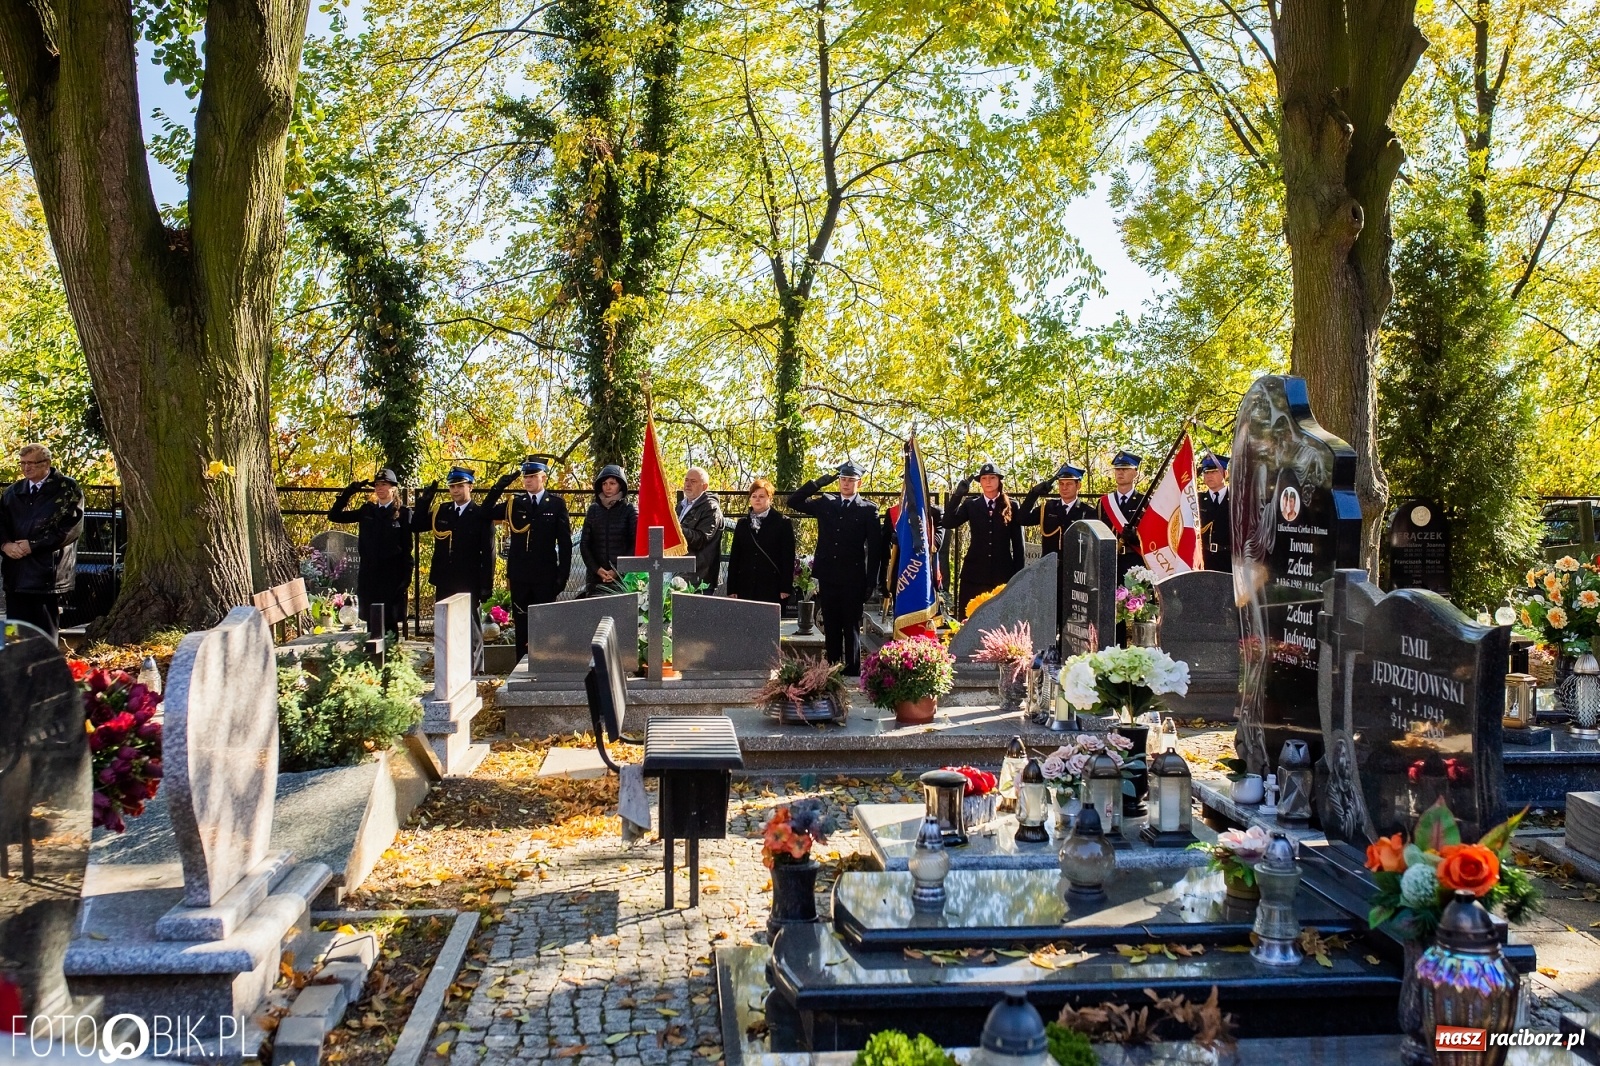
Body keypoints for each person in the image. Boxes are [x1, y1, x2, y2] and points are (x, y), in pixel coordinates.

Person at [788, 461, 881, 674]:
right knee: (831, 625)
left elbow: (875, 549)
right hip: (829, 575)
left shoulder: (868, 509)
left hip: (853, 577)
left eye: (850, 480)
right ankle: (832, 669)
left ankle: (852, 670)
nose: (845, 484)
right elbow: (794, 501)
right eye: (842, 479)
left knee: (851, 625)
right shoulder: (826, 503)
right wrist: (818, 483)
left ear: (859, 483)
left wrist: (871, 582)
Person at [482, 458, 572, 662]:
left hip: (545, 577)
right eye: (525, 477)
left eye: (532, 476)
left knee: (545, 626)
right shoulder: (515, 503)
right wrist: (498, 487)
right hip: (520, 576)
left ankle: (545, 666)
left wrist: (562, 576)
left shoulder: (556, 504)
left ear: (543, 478)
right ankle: (521, 667)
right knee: (522, 625)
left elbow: (565, 544)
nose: (528, 480)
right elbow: (485, 512)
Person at [411, 467, 496, 672]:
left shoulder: (480, 514)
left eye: (460, 486)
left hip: (469, 579)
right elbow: (416, 525)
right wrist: (425, 502)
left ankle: (475, 671)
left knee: (471, 628)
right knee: (446, 627)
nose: (455, 490)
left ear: (470, 487)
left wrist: (486, 585)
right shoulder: (442, 511)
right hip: (445, 578)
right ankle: (450, 669)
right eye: (452, 487)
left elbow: (489, 553)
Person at [0, 443, 83, 646]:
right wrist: (5, 545)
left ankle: (46, 667)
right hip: (16, 576)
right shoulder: (13, 492)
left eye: (32, 463)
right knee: (15, 638)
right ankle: (17, 666)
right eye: (22, 463)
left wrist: (33, 545)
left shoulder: (66, 488)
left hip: (47, 576)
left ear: (46, 463)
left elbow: (70, 528)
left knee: (44, 638)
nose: (26, 468)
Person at [326, 467, 414, 636]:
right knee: (372, 626)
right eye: (377, 485)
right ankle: (372, 653)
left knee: (390, 626)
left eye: (384, 484)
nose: (379, 488)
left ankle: (391, 653)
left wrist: (405, 579)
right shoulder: (367, 511)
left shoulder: (403, 513)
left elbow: (407, 549)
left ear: (393, 488)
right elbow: (334, 516)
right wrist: (348, 493)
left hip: (392, 577)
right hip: (369, 575)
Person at [946, 461, 1025, 618]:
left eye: (992, 477)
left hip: (1002, 575)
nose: (988, 481)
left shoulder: (1012, 505)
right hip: (974, 575)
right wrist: (957, 496)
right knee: (969, 619)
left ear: (999, 480)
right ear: (980, 482)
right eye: (984, 478)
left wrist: (1018, 578)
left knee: (1001, 621)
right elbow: (948, 522)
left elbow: (1018, 546)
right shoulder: (971, 504)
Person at [725, 478, 796, 604]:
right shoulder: (742, 524)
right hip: (746, 585)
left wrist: (785, 587)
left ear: (770, 498)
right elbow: (735, 557)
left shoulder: (782, 522)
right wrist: (732, 588)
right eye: (754, 496)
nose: (757, 499)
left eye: (762, 496)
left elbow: (788, 557)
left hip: (772, 586)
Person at [579, 464, 637, 595]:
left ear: (620, 485)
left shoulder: (629, 510)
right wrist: (597, 569)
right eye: (604, 483)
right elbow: (585, 544)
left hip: (623, 579)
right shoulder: (593, 510)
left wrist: (617, 570)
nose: (608, 487)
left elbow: (635, 544)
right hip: (595, 579)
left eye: (612, 483)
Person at [1019, 462, 1096, 557]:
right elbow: (1022, 519)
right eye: (1061, 483)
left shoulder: (1088, 512)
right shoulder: (1048, 507)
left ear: (1078, 486)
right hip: (1050, 563)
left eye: (1069, 484)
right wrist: (1033, 494)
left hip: (1076, 564)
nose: (1064, 488)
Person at [1097, 450, 1146, 580]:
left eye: (1125, 469)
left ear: (1135, 473)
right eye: (1117, 469)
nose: (1120, 472)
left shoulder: (1145, 502)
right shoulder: (1104, 502)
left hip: (1134, 561)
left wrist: (1136, 537)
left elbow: (1151, 536)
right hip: (1109, 561)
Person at [677, 467, 723, 592]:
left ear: (705, 486)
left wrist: (676, 529)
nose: (688, 484)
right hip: (679, 574)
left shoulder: (711, 508)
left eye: (693, 481)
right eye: (686, 480)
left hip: (699, 579)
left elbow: (701, 540)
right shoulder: (681, 506)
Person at [1197, 452, 1232, 573]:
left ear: (1225, 473)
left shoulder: (1237, 499)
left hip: (1229, 561)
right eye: (1206, 472)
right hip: (1204, 561)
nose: (1209, 476)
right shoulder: (1197, 500)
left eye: (1214, 471)